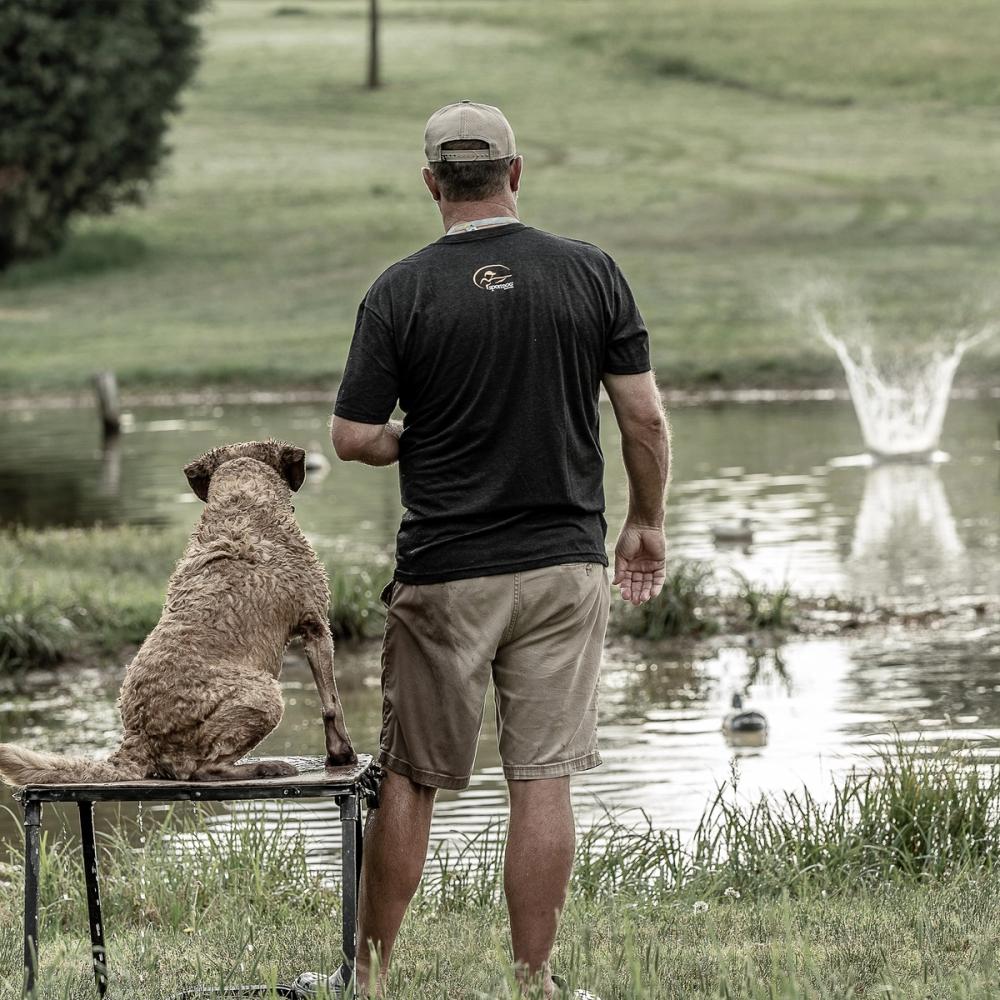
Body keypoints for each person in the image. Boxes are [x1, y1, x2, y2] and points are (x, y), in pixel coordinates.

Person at [295, 101, 670, 999]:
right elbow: (644, 417)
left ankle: (368, 980)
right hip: (564, 566)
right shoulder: (590, 272)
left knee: (414, 780)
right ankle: (533, 982)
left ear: (431, 182)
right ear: (516, 171)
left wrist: (407, 444)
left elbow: (350, 437)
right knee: (542, 778)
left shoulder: (401, 290)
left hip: (447, 575)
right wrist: (646, 522)